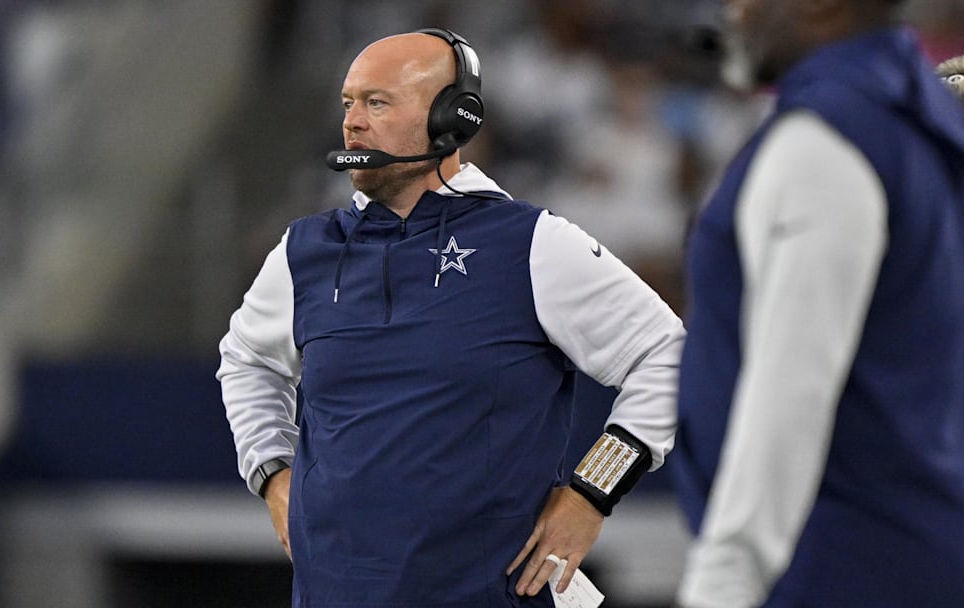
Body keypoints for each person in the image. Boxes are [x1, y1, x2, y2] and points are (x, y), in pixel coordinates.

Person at [217, 28, 685, 606]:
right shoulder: (304, 252)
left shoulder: (530, 243)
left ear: (451, 119)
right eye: (348, 103)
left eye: (377, 102)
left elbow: (665, 353)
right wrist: (272, 474)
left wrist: (593, 494)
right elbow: (245, 361)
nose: (353, 123)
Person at [672, 1, 964, 606]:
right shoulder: (919, 116)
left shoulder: (827, 141)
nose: (732, 13)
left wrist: (725, 581)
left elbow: (793, 392)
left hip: (831, 565)